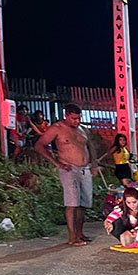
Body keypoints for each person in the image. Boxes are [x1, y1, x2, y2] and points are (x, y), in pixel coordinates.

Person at [35, 103, 98, 247]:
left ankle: (79, 233)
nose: (77, 121)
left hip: (85, 169)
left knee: (83, 203)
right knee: (72, 203)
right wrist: (57, 163)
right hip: (69, 169)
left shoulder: (82, 129)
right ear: (66, 115)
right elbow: (39, 145)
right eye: (74, 118)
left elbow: (91, 147)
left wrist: (94, 164)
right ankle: (72, 236)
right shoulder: (57, 128)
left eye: (79, 118)